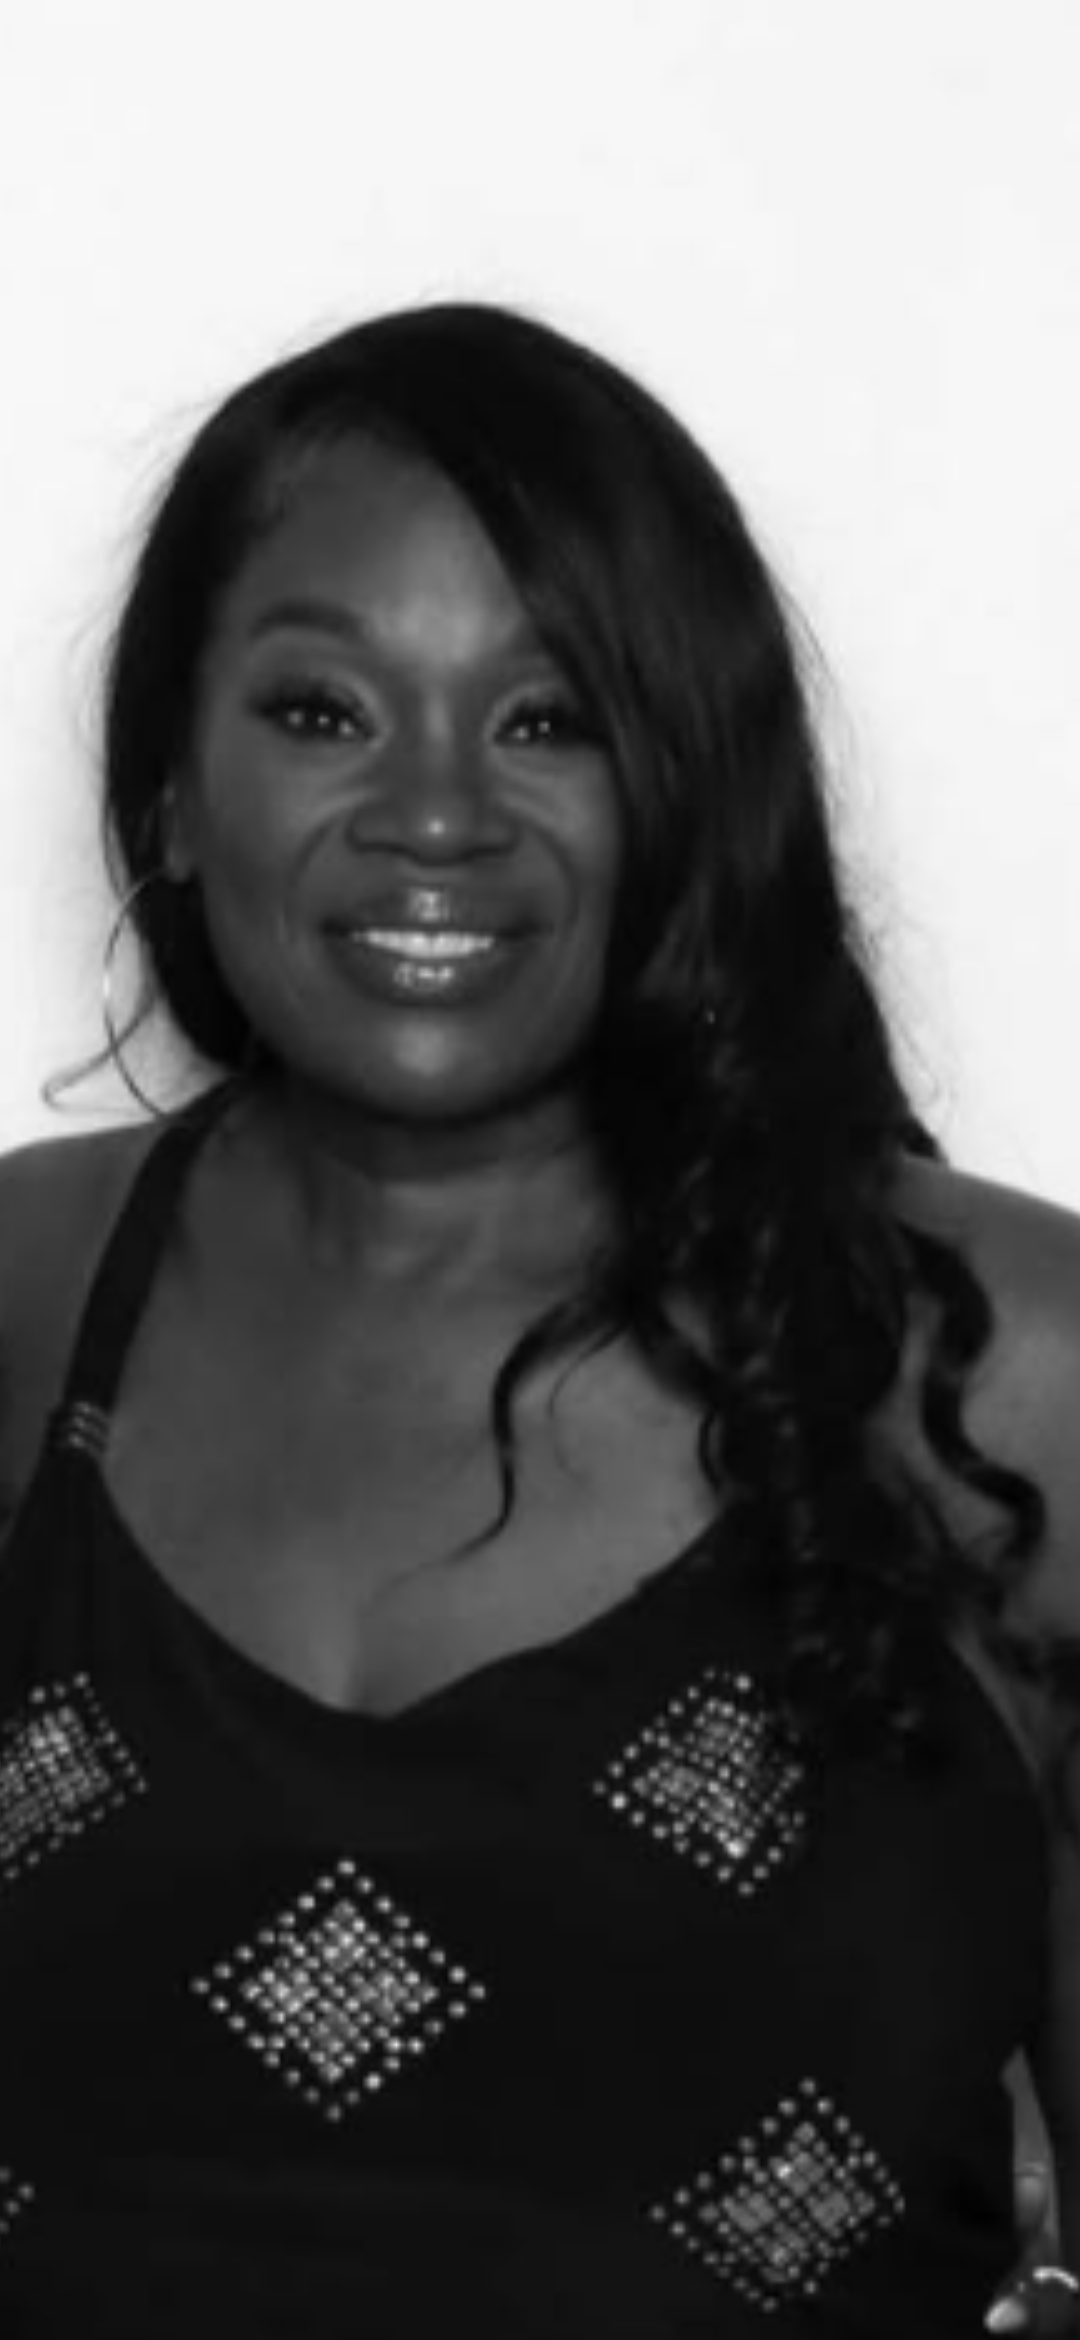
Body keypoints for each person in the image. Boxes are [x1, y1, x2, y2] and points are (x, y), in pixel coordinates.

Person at [0, 299, 1078, 2340]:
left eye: (550, 718)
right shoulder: (25, 1297)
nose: (436, 814)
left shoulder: (1011, 1369)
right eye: (322, 709)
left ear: (686, 788)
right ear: (170, 793)